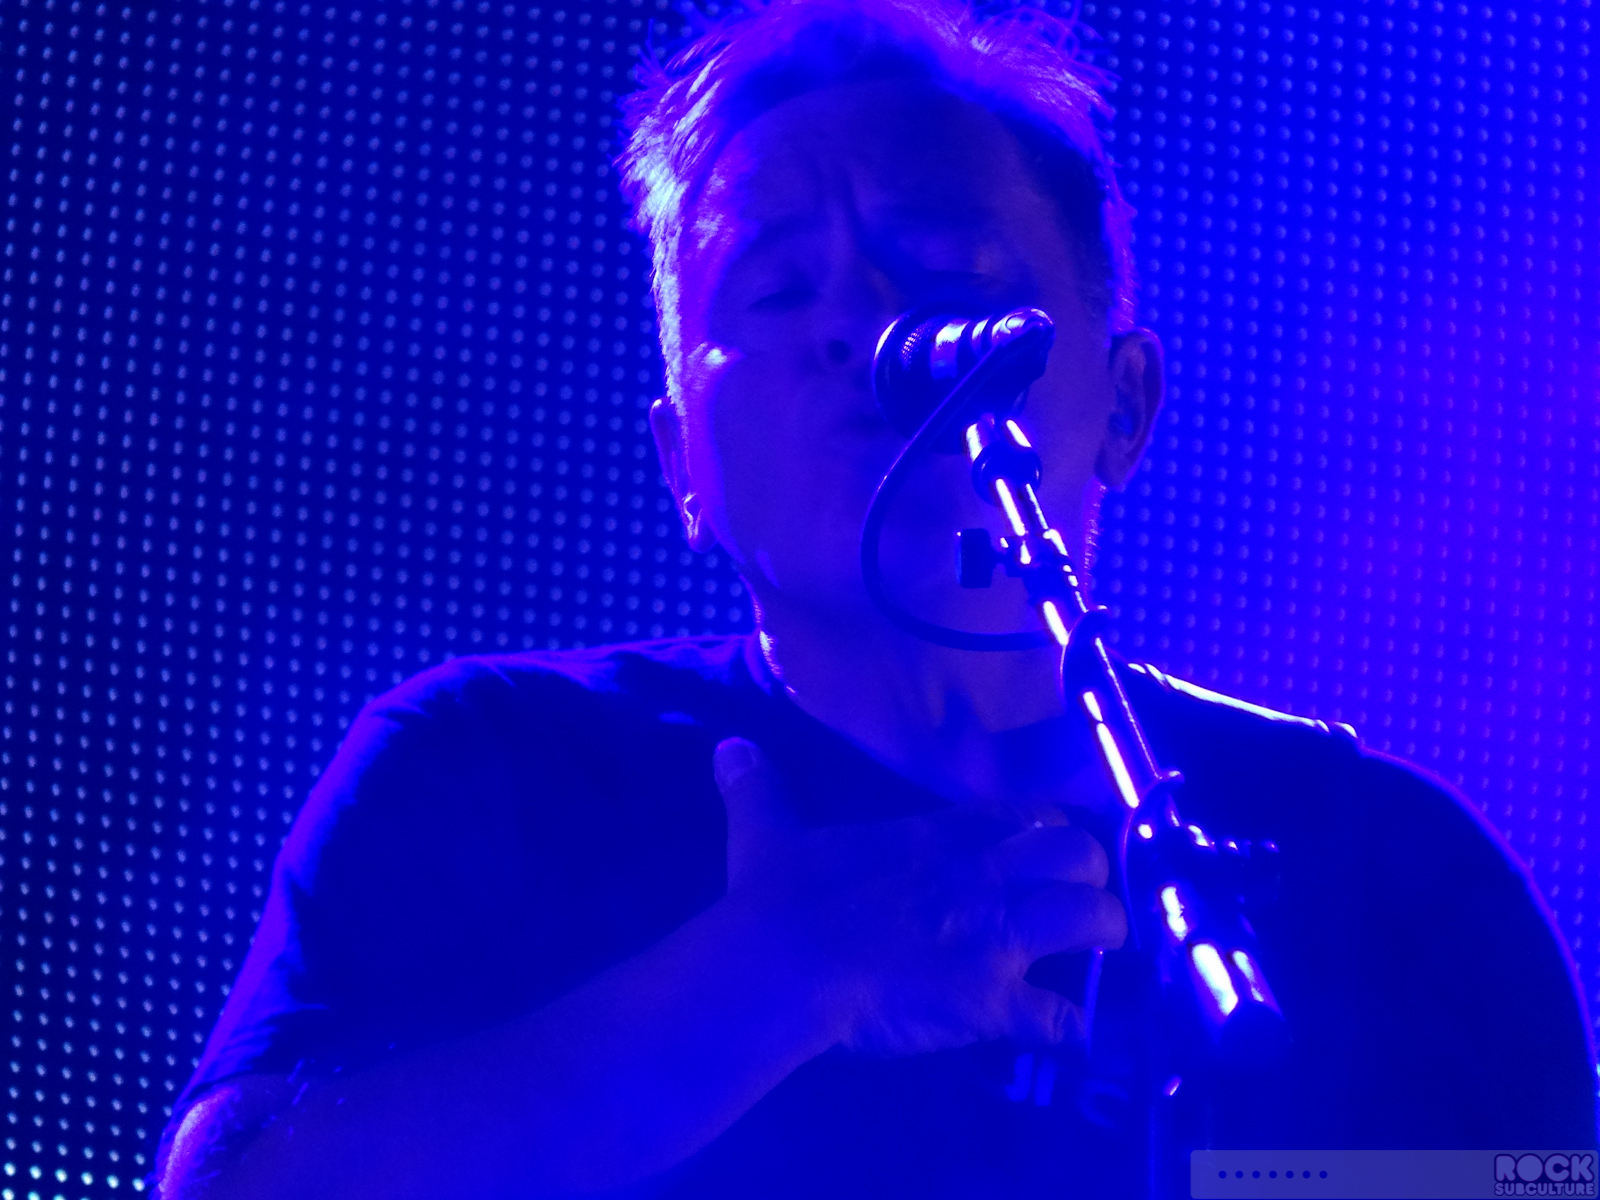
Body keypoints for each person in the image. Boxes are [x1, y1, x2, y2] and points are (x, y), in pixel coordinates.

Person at [153, 2, 1596, 1197]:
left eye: (941, 270)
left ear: (1127, 402)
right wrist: (764, 980)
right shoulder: (494, 764)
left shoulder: (1382, 866)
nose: (860, 324)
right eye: (777, 294)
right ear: (683, 462)